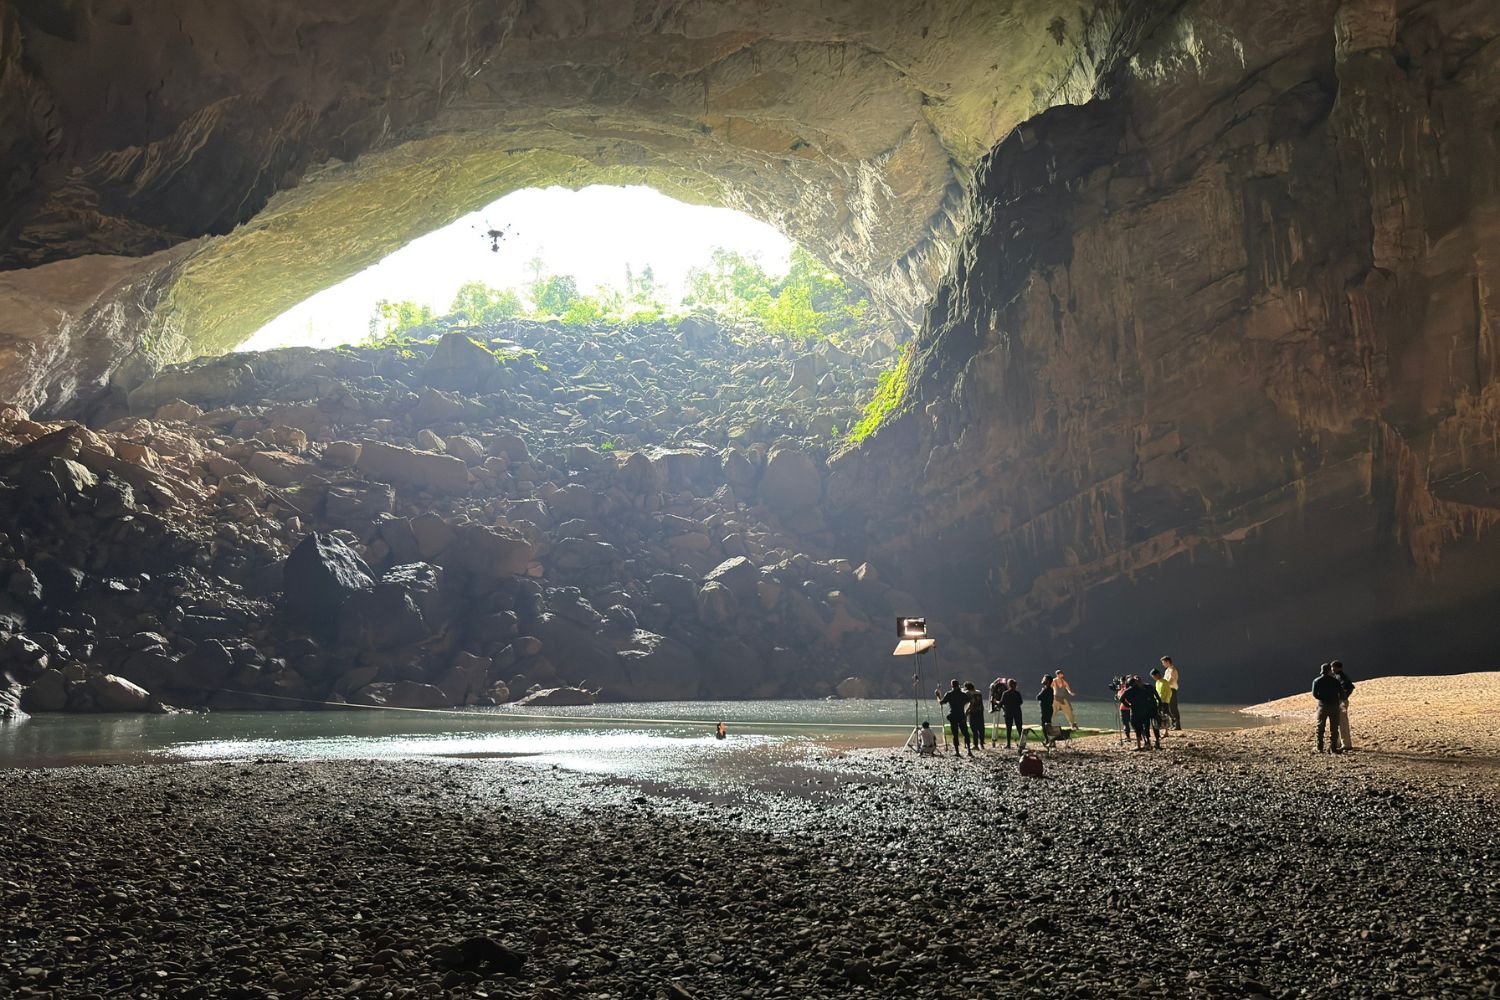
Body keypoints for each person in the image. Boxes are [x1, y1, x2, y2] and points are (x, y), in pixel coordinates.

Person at [936, 679, 972, 756]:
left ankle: (957, 752)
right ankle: (969, 751)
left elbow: (941, 703)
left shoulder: (949, 694)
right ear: (958, 685)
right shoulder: (963, 694)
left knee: (955, 734)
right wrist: (964, 706)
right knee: (965, 733)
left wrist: (938, 696)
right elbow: (970, 700)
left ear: (951, 685)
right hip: (961, 715)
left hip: (953, 716)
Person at [1312, 662, 1343, 753]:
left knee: (1320, 727)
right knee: (1334, 728)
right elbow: (1341, 693)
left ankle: (1319, 747)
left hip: (1323, 706)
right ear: (1330, 671)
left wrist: (1323, 699)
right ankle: (1333, 748)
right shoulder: (1335, 681)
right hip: (1334, 706)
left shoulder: (1316, 681)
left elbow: (1314, 694)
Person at [1122, 676, 1159, 750]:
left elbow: (1121, 699)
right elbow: (1150, 698)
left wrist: (1128, 705)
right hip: (1145, 710)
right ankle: (1148, 743)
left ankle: (1142, 745)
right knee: (1146, 726)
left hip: (1138, 711)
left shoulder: (1129, 690)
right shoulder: (1142, 689)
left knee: (1139, 727)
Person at [1150, 667, 1172, 745]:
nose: (1154, 678)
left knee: (1165, 716)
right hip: (1158, 701)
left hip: (1164, 701)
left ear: (1157, 674)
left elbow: (1168, 692)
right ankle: (1161, 731)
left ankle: (1166, 731)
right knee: (1159, 716)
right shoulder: (1157, 682)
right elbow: (1157, 692)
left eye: (1154, 676)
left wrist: (1165, 700)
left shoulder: (1164, 682)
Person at [1000, 679, 1025, 749]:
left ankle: (1008, 744)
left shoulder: (1005, 693)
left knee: (1008, 729)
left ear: (1009, 685)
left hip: (1008, 712)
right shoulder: (1017, 693)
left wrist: (996, 702)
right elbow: (1021, 702)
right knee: (1019, 728)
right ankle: (1022, 744)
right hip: (1017, 712)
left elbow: (1001, 703)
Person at [1160, 656, 1182, 730]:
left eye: (1163, 663)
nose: (1163, 664)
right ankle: (1173, 724)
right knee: (1169, 708)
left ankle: (1177, 725)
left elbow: (1171, 681)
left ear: (1167, 662)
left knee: (1173, 707)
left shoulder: (1173, 670)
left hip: (1172, 689)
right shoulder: (1167, 670)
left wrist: (1164, 685)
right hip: (1168, 690)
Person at [964, 682, 987, 749]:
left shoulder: (968, 692)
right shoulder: (979, 692)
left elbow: (972, 701)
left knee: (974, 728)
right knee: (981, 728)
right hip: (980, 711)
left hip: (973, 712)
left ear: (966, 687)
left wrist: (967, 710)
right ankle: (982, 744)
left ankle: (975, 745)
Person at [1036, 674, 1056, 748]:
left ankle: (1048, 740)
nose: (1042, 680)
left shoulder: (1046, 689)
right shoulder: (1050, 689)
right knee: (1047, 724)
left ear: (1047, 681)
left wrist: (1042, 691)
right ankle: (1049, 740)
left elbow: (1038, 697)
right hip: (1048, 709)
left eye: (1044, 679)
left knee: (1045, 725)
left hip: (1046, 710)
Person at [1113, 676, 1131, 743]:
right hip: (1129, 708)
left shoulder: (1124, 690)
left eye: (1121, 681)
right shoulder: (1128, 688)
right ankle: (1139, 736)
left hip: (1125, 708)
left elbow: (1120, 698)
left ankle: (1128, 737)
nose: (1120, 683)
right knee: (1132, 723)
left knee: (1126, 724)